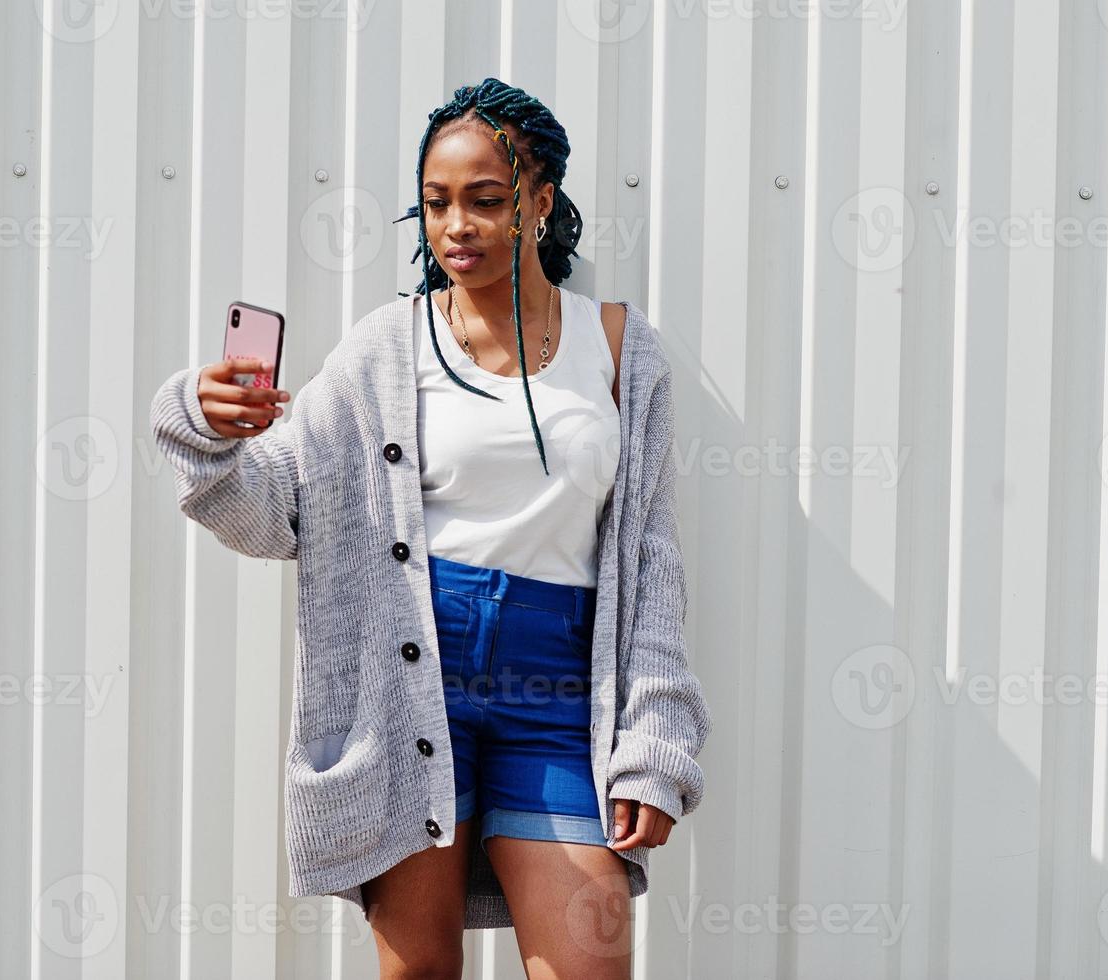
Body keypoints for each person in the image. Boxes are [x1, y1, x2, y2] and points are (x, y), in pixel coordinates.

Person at [152, 77, 712, 979]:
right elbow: (272, 512)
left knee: (587, 963)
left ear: (538, 201)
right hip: (412, 687)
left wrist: (655, 743)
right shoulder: (387, 347)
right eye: (436, 203)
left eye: (485, 201)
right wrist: (203, 427)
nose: (457, 226)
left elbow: (650, 561)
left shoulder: (618, 346)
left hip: (558, 698)